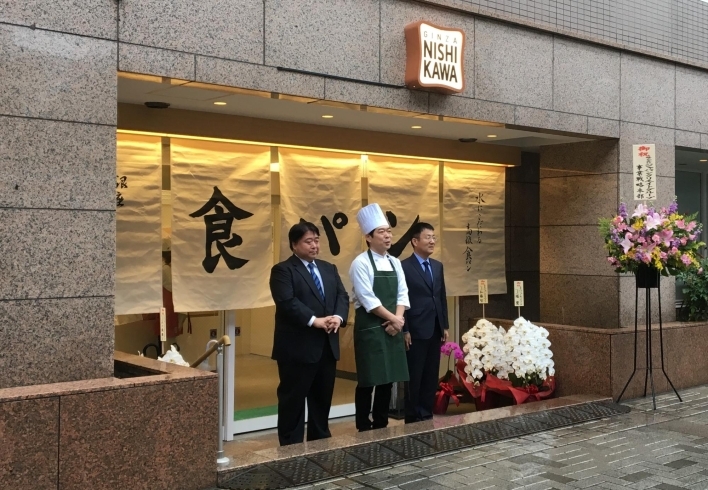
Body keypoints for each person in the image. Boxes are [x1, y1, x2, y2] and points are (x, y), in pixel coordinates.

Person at [270, 222, 349, 446]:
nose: (314, 245)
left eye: (316, 240)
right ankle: (290, 448)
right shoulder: (283, 270)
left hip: (326, 345)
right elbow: (287, 302)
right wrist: (314, 320)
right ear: (294, 244)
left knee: (321, 399)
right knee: (292, 401)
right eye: (308, 241)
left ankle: (319, 442)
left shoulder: (328, 268)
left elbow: (342, 296)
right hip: (297, 348)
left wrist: (339, 318)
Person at [349, 203, 410, 432]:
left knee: (388, 378)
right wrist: (393, 320)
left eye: (389, 231)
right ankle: (363, 426)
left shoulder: (395, 262)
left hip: (393, 325)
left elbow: (402, 293)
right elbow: (368, 298)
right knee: (368, 379)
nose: (387, 236)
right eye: (381, 232)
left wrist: (399, 319)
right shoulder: (360, 263)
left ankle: (382, 424)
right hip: (371, 327)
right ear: (368, 236)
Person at [401, 223, 450, 424]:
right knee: (415, 375)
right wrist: (405, 328)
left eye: (433, 237)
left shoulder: (437, 266)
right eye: (427, 237)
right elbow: (401, 300)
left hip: (435, 327)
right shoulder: (403, 266)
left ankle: (427, 413)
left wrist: (444, 324)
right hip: (415, 329)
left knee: (431, 374)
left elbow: (441, 296)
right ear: (415, 241)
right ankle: (412, 416)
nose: (432, 241)